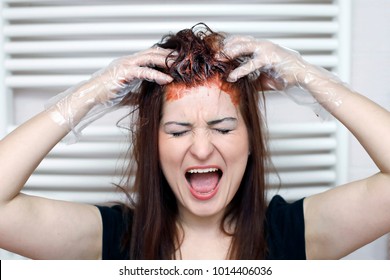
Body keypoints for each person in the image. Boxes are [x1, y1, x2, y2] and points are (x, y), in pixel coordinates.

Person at [0, 23, 389, 260]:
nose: (201, 149)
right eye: (177, 131)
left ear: (251, 140)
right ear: (153, 146)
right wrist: (91, 93)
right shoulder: (112, 240)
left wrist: (308, 76)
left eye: (222, 128)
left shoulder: (298, 234)